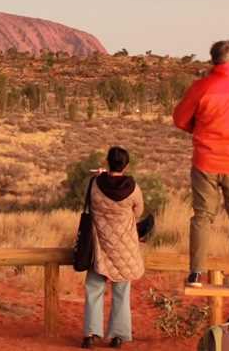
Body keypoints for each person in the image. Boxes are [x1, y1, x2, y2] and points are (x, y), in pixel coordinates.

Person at [172, 40, 229, 290]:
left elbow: (179, 119)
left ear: (213, 60)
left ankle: (196, 274)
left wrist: (199, 128)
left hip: (205, 161)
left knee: (202, 217)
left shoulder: (200, 87)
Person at [81, 147, 145, 350]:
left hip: (99, 245)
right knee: (121, 291)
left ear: (107, 162)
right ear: (126, 165)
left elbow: (91, 204)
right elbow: (138, 211)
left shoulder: (94, 184)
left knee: (94, 289)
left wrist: (102, 176)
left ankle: (90, 334)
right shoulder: (133, 188)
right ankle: (118, 335)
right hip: (125, 248)